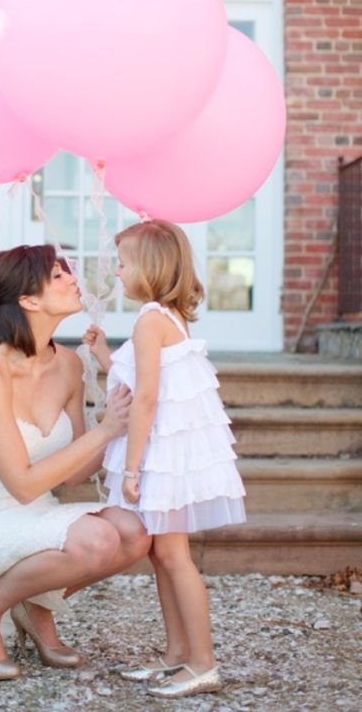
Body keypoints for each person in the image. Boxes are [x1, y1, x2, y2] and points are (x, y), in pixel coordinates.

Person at [0, 244, 150, 681]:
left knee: (134, 533)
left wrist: (126, 417)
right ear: (28, 300)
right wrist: (106, 430)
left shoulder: (68, 364)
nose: (73, 280)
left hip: (39, 516)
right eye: (58, 275)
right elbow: (24, 486)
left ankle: (36, 604)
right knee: (95, 540)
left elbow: (74, 476)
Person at [83, 219, 246, 699]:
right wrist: (104, 356)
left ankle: (202, 663)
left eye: (123, 263)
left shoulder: (150, 320)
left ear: (149, 270)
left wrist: (131, 470)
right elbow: (137, 379)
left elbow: (147, 400)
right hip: (167, 450)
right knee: (160, 553)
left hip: (163, 455)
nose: (116, 271)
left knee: (174, 556)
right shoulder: (164, 317)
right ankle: (177, 653)